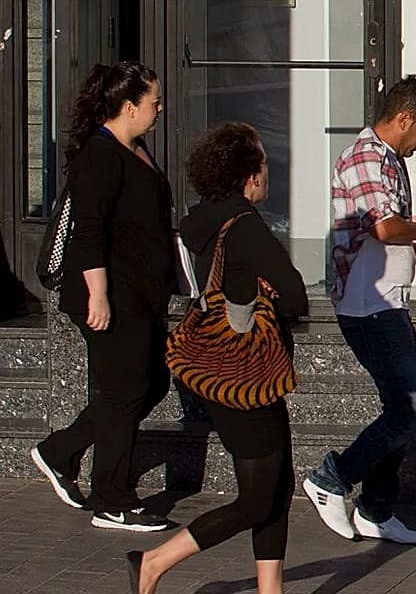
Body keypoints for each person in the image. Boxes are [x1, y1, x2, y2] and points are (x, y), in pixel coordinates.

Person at [129, 122, 309, 594]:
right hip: (245, 374)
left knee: (278, 487)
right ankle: (154, 561)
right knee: (255, 500)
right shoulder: (246, 227)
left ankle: (271, 591)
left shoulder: (201, 222)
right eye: (264, 164)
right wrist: (275, 292)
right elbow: (295, 297)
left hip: (218, 370)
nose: (268, 173)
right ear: (250, 176)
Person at [302, 75, 416, 546]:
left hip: (387, 301)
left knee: (400, 409)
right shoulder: (368, 157)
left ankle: (376, 508)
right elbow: (384, 228)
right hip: (368, 305)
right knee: (410, 410)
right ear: (403, 119)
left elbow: (394, 238)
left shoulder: (388, 160)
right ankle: (331, 478)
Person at [31, 62, 176, 533]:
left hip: (142, 292)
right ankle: (112, 499)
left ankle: (60, 451)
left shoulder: (136, 149)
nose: (160, 107)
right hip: (110, 292)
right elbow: (89, 228)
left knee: (150, 384)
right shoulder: (101, 154)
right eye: (154, 101)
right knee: (122, 392)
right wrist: (99, 294)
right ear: (129, 106)